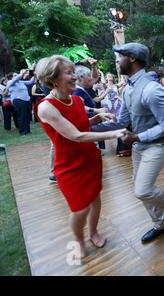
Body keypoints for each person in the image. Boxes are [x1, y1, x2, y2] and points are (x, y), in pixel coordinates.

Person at [91, 42, 164, 244]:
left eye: (119, 57)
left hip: (158, 144)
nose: (117, 61)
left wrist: (136, 137)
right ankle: (161, 223)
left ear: (132, 59)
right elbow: (122, 122)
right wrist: (87, 130)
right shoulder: (128, 89)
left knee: (143, 190)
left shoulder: (152, 90)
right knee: (141, 188)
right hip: (140, 145)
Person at [35, 55, 127, 259]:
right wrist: (114, 133)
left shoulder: (75, 99)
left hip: (90, 159)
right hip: (69, 166)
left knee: (95, 198)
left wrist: (98, 116)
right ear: (53, 78)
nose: (74, 76)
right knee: (79, 208)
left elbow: (83, 123)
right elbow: (76, 135)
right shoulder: (46, 107)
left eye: (73, 71)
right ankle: (78, 240)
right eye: (68, 72)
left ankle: (93, 232)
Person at [6, 69, 35, 136]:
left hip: (26, 100)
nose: (17, 76)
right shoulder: (10, 82)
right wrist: (21, 73)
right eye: (15, 75)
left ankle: (27, 131)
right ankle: (23, 132)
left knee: (27, 116)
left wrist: (34, 74)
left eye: (17, 74)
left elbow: (31, 82)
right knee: (22, 116)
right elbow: (16, 79)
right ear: (11, 77)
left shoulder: (20, 82)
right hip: (18, 101)